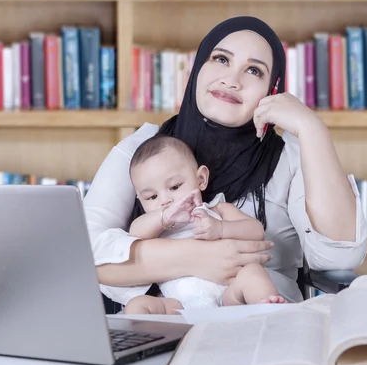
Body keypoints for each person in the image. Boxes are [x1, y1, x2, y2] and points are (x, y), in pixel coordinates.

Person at [84, 15, 367, 308]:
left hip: (260, 331)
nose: (231, 80)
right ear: (196, 69)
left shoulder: (290, 158)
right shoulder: (140, 151)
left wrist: (312, 129)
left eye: (254, 70)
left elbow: (340, 256)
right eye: (221, 59)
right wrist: (199, 258)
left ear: (273, 89)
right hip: (164, 330)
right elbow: (83, 253)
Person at [123, 134, 286, 314]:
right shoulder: (156, 226)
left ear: (201, 179)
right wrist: (164, 217)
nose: (165, 200)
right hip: (180, 306)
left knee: (253, 273)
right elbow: (134, 233)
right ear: (140, 200)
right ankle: (151, 341)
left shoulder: (217, 210)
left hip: (228, 296)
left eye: (175, 187)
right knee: (137, 305)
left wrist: (221, 228)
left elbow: (256, 231)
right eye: (152, 197)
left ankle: (267, 308)